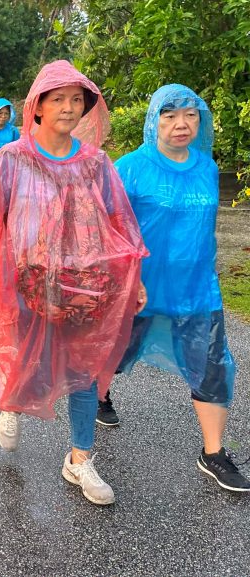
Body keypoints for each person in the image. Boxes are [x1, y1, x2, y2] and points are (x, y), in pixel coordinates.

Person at [0, 60, 148, 505]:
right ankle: (10, 402)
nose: (68, 107)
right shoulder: (12, 159)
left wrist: (134, 277)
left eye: (76, 99)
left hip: (84, 284)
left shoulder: (96, 163)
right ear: (37, 107)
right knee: (25, 354)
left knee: (84, 369)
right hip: (26, 281)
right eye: (58, 99)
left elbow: (122, 223)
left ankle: (80, 458)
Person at [100, 84, 250, 492]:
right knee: (112, 355)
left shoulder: (205, 166)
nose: (181, 124)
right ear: (154, 120)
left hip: (198, 289)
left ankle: (214, 452)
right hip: (140, 288)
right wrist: (121, 280)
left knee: (214, 365)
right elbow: (107, 227)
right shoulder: (130, 167)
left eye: (190, 115)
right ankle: (99, 397)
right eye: (169, 115)